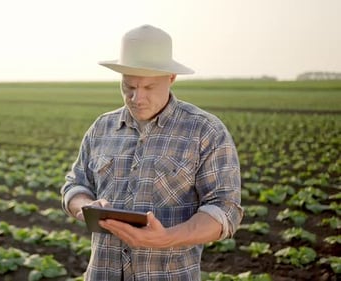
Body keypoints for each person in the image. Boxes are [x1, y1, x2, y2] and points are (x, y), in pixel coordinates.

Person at [61, 24, 243, 281]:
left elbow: (225, 209)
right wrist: (84, 206)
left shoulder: (205, 131)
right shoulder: (102, 127)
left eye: (148, 88)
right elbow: (75, 184)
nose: (136, 98)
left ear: (171, 78)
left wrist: (167, 238)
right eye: (129, 87)